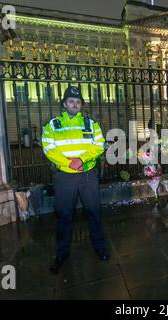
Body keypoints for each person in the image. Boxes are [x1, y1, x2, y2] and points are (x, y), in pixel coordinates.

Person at [41, 86, 108, 275]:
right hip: (65, 176)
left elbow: (99, 144)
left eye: (78, 102)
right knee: (64, 216)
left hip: (87, 174)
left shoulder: (91, 124)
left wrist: (81, 160)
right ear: (64, 104)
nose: (75, 104)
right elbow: (48, 147)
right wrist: (69, 164)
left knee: (94, 212)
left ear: (81, 105)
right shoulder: (53, 125)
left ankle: (100, 248)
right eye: (71, 101)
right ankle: (62, 254)